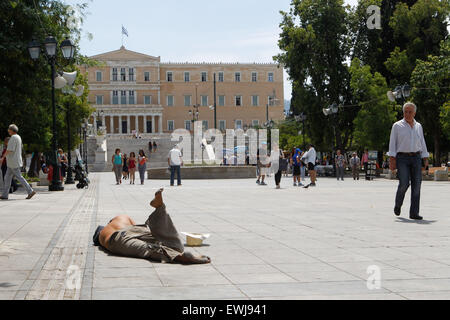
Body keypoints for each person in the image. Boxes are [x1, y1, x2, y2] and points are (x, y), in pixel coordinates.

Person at [93, 188, 210, 264]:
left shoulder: (103, 235)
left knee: (146, 248)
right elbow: (142, 229)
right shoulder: (121, 218)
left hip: (117, 239)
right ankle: (160, 209)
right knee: (164, 237)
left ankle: (179, 257)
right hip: (135, 230)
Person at [388, 102, 429, 220]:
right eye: (405, 111)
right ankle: (398, 203)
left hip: (416, 157)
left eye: (410, 112)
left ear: (414, 113)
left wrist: (425, 158)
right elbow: (392, 143)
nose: (407, 114)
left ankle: (414, 212)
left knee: (417, 185)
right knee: (404, 183)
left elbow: (422, 143)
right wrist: (392, 159)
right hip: (402, 158)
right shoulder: (397, 126)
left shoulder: (418, 126)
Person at [0, 124, 36, 200]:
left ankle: (30, 191)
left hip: (13, 162)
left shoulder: (13, 137)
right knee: (7, 178)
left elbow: (10, 149)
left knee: (19, 177)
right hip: (12, 162)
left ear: (12, 130)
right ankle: (5, 194)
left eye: (9, 129)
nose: (8, 130)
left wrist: (2, 157)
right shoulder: (18, 137)